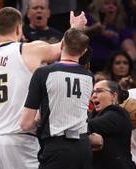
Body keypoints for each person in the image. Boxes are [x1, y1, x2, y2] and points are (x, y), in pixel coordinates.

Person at [0, 7, 87, 169]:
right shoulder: (29, 49)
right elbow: (63, 48)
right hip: (19, 139)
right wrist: (76, 28)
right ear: (19, 28)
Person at [21, 28, 93, 169]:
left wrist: (38, 120)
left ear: (61, 45)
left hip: (56, 149)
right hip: (83, 148)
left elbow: (26, 124)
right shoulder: (89, 76)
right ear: (84, 51)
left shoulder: (43, 73)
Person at [88, 80, 136, 169]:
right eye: (93, 92)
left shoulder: (118, 113)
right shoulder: (92, 115)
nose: (93, 96)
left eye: (99, 91)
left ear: (114, 96)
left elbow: (89, 126)